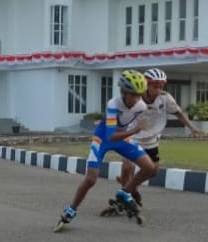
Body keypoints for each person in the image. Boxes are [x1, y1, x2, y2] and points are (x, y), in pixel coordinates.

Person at [55, 70, 156, 231]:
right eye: (133, 95)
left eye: (139, 95)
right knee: (91, 179)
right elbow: (111, 136)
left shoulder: (141, 106)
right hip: (103, 139)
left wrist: (130, 149)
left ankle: (125, 192)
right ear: (123, 93)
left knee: (149, 167)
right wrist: (135, 131)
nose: (136, 99)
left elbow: (127, 126)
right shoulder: (113, 104)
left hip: (122, 137)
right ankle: (71, 210)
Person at [116, 68, 205, 206]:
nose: (158, 89)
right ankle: (124, 194)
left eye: (161, 86)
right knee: (128, 166)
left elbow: (179, 114)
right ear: (146, 84)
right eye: (155, 86)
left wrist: (192, 127)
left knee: (153, 171)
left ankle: (131, 186)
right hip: (132, 136)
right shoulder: (135, 97)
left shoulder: (165, 98)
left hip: (151, 139)